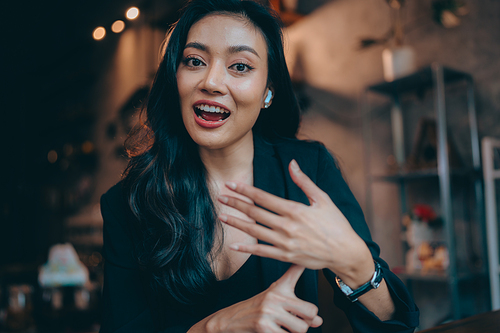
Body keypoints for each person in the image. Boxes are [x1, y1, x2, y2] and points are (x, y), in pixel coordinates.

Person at [100, 0, 419, 332]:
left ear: (268, 91)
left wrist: (356, 265)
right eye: (195, 61)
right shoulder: (128, 201)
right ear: (175, 78)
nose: (211, 81)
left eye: (240, 66)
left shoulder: (309, 169)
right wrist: (216, 327)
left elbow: (395, 326)